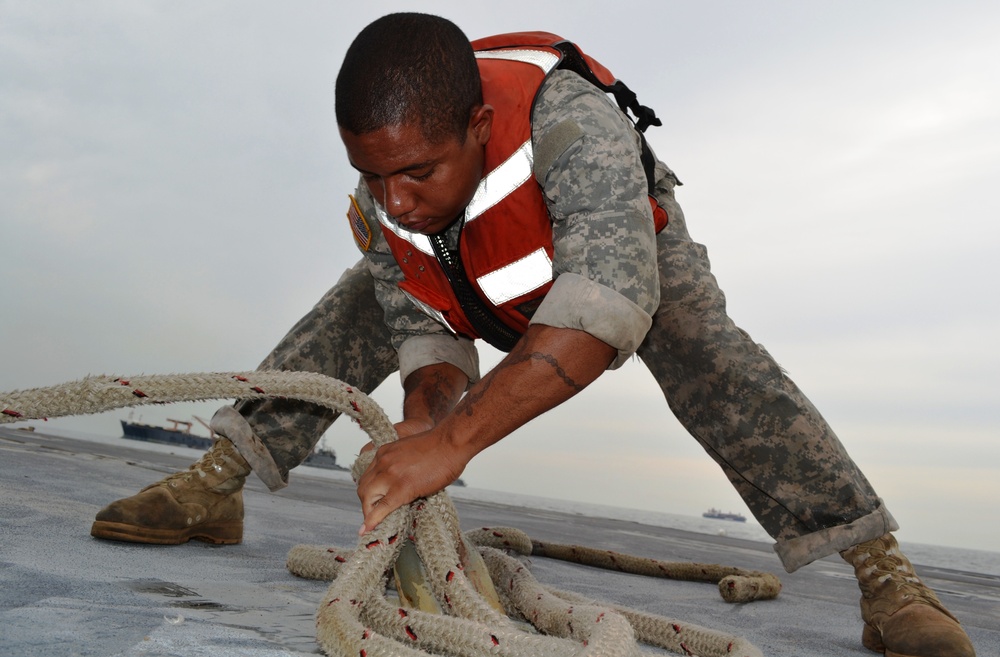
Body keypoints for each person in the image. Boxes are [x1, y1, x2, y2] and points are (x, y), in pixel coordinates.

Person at [91, 13, 975, 656]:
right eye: (371, 173)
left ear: (477, 129)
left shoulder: (569, 126)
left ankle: (883, 574)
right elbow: (425, 336)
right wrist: (427, 428)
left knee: (712, 352)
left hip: (622, 265)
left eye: (415, 172)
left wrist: (458, 444)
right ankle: (217, 484)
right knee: (357, 296)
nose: (391, 199)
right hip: (480, 282)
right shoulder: (386, 198)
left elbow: (605, 309)